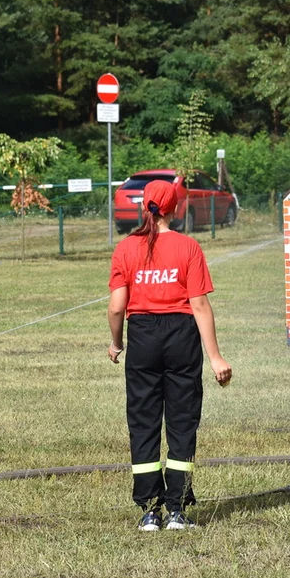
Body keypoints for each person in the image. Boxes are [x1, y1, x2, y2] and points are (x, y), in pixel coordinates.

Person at [107, 179, 233, 532]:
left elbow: (117, 307)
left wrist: (117, 343)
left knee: (144, 422)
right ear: (175, 208)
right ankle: (176, 510)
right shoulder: (188, 247)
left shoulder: (125, 249)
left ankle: (149, 511)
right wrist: (215, 357)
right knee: (181, 422)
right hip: (181, 338)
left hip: (143, 337)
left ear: (143, 206)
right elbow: (199, 304)